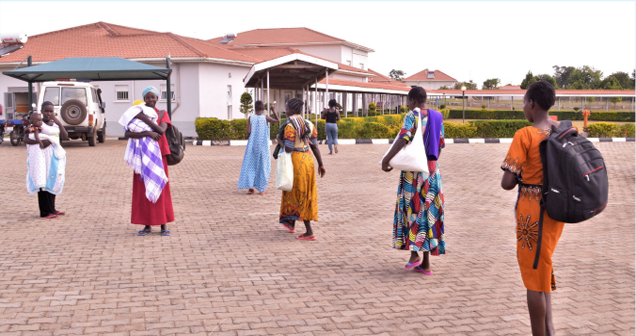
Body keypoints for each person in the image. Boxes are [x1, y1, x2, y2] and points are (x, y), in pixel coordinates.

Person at [501, 81, 571, 336]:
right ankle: (550, 330)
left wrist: (525, 176)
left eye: (523, 102)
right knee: (542, 268)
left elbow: (507, 182)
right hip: (556, 210)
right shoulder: (563, 130)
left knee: (533, 277)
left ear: (532, 103)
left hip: (532, 212)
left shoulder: (526, 134)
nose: (523, 107)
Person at [381, 86, 445, 275]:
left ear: (413, 100)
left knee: (413, 210)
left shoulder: (412, 115)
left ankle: (414, 253)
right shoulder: (437, 117)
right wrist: (430, 163)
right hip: (432, 171)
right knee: (428, 213)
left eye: (409, 101)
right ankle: (425, 263)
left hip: (414, 173)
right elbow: (440, 144)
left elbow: (403, 138)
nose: (409, 104)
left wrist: (387, 159)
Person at [124, 86, 174, 236]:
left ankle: (163, 224)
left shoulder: (161, 113)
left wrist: (143, 119)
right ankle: (147, 225)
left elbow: (161, 130)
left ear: (157, 98)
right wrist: (146, 133)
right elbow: (127, 133)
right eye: (148, 97)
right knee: (143, 190)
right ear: (144, 99)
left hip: (159, 156)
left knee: (160, 186)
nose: (151, 100)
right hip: (141, 157)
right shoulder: (135, 113)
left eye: (153, 97)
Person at [276, 98, 326, 240]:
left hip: (296, 160)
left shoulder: (290, 125)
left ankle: (309, 232)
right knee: (297, 190)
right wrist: (321, 164)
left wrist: (279, 140)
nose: (285, 111)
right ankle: (290, 223)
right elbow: (315, 146)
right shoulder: (309, 124)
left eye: (286, 108)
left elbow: (289, 147)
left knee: (299, 193)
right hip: (308, 160)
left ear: (292, 109)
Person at [24, 102, 69, 219]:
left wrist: (59, 123)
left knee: (53, 181)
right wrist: (40, 142)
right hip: (43, 157)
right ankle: (44, 212)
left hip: (54, 156)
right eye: (46, 111)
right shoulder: (38, 123)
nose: (48, 113)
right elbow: (26, 138)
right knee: (43, 182)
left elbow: (65, 137)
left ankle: (52, 209)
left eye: (51, 111)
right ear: (42, 111)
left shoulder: (55, 124)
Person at [237, 101, 279, 195]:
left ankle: (251, 188)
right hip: (263, 147)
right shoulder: (265, 118)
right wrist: (273, 110)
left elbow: (248, 132)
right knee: (263, 166)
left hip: (252, 146)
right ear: (263, 109)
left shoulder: (251, 118)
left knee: (251, 165)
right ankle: (261, 189)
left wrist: (248, 136)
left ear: (254, 108)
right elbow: (277, 120)